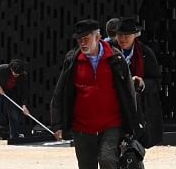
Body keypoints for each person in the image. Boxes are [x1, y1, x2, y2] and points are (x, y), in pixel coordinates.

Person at [49, 19, 143, 169]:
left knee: (107, 160)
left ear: (98, 37)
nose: (82, 43)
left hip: (112, 124)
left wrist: (131, 126)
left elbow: (128, 93)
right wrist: (57, 124)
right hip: (82, 127)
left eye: (86, 38)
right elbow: (60, 93)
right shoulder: (72, 60)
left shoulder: (116, 59)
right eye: (80, 40)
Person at [112, 17, 162, 149]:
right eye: (119, 35)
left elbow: (156, 82)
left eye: (127, 35)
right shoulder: (109, 52)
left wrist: (142, 83)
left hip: (138, 108)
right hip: (115, 105)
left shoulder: (145, 53)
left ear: (135, 35)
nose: (122, 39)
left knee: (135, 149)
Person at [0, 58, 28, 144]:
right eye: (15, 74)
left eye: (18, 74)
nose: (16, 76)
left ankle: (14, 137)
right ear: (11, 69)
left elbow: (24, 91)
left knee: (14, 114)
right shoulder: (1, 69)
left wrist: (24, 105)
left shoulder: (23, 75)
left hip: (10, 92)